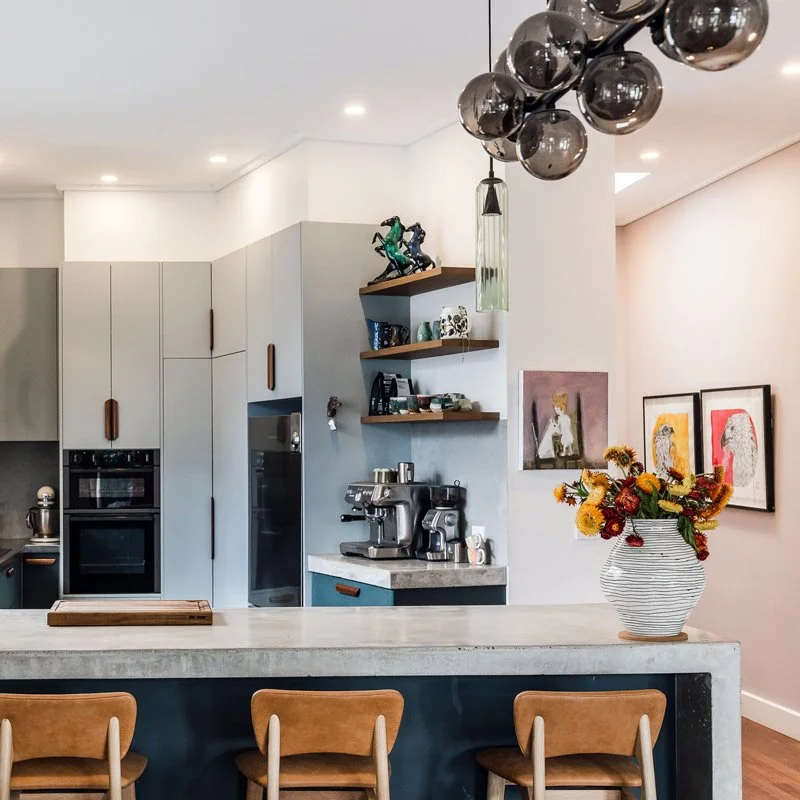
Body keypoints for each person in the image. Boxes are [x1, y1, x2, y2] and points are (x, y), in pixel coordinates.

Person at [538, 391, 575, 459]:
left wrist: (555, 425)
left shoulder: (565, 417)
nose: (556, 411)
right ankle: (569, 452)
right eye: (555, 409)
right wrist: (554, 423)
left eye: (557, 409)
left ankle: (566, 452)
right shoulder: (561, 417)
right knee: (567, 443)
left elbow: (563, 426)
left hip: (565, 433)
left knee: (566, 443)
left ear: (562, 408)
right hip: (565, 432)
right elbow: (560, 426)